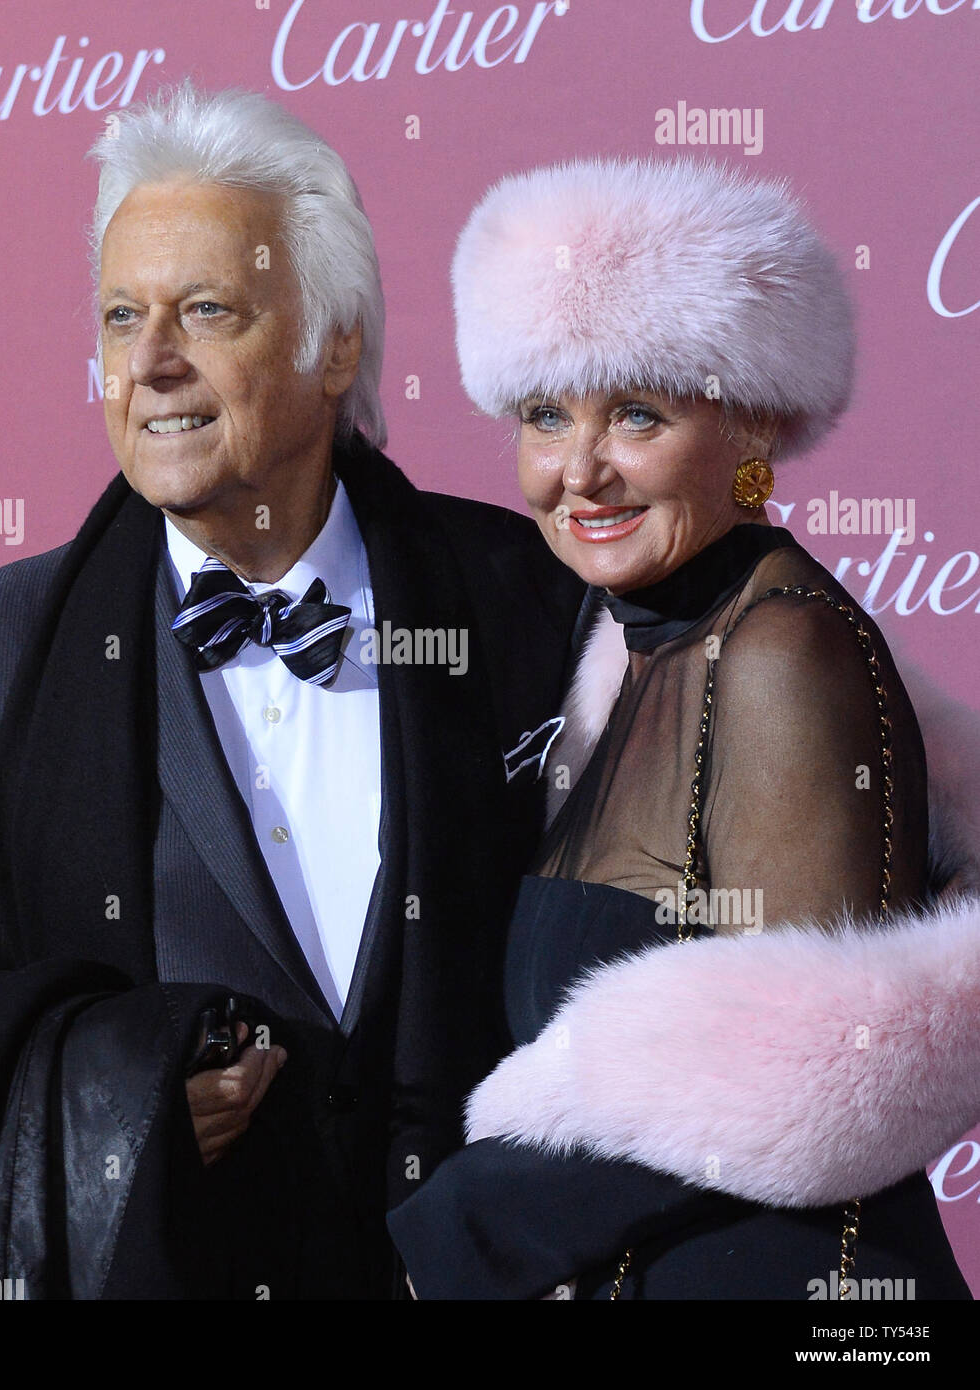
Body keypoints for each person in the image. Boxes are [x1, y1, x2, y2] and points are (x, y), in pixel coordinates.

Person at [0, 84, 585, 1300]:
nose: (150, 363)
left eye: (203, 310)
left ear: (331, 340)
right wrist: (112, 1093)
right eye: (120, 316)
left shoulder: (524, 598)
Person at [387, 156, 980, 1299]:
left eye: (639, 415)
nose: (579, 471)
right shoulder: (632, 652)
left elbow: (807, 1069)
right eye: (545, 415)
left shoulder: (779, 655)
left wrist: (461, 1229)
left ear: (748, 426)